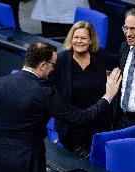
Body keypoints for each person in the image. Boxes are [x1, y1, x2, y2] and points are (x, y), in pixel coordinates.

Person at [0, 41, 122, 172]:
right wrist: (108, 96)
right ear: (43, 65)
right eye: (53, 64)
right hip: (22, 169)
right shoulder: (44, 93)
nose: (54, 69)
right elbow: (81, 118)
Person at [48, 21, 119, 157]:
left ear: (91, 40)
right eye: (76, 37)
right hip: (72, 126)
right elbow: (48, 88)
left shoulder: (98, 56)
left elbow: (120, 62)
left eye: (83, 38)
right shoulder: (61, 60)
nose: (79, 41)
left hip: (99, 124)